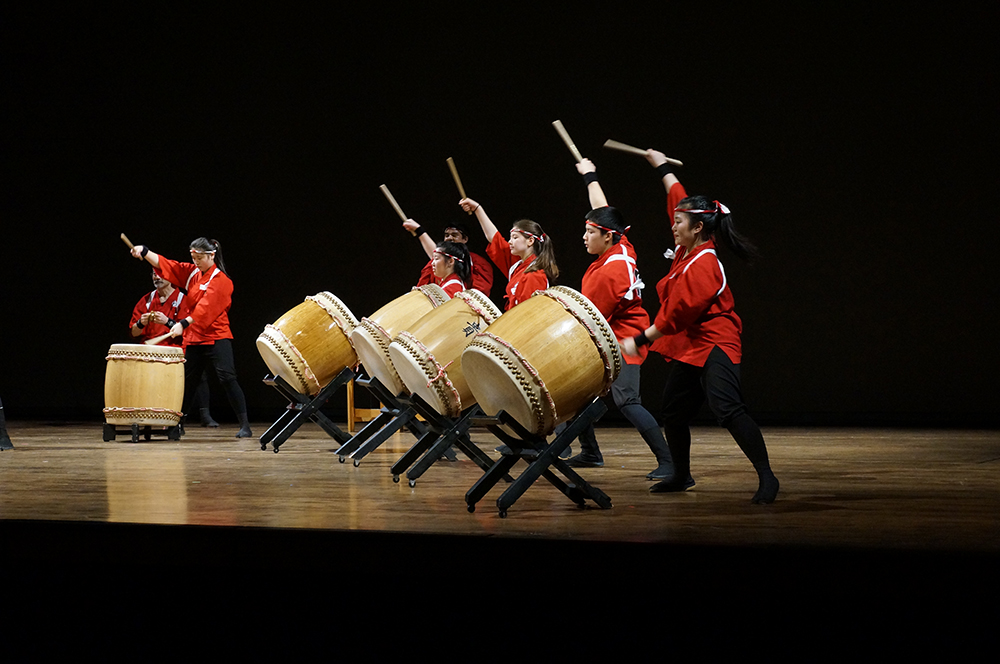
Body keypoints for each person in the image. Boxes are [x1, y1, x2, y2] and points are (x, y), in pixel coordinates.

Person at [621, 150, 779, 504]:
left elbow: (677, 315)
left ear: (699, 228)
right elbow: (677, 198)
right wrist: (660, 165)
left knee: (727, 408)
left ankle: (768, 477)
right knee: (674, 410)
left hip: (716, 340)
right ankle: (681, 473)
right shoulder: (686, 250)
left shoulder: (704, 263)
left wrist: (640, 340)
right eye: (675, 220)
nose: (673, 225)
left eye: (679, 222)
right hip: (692, 343)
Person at [565, 157, 689, 483]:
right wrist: (590, 174)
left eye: (589, 232)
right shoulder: (622, 246)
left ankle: (671, 463)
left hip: (624, 338)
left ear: (607, 236)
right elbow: (602, 206)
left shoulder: (611, 271)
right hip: (613, 333)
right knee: (578, 392)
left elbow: (591, 318)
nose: (584, 237)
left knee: (627, 399)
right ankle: (590, 451)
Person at [130, 237, 252, 438]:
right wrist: (145, 252)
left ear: (211, 255)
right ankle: (178, 424)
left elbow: (206, 309)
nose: (196, 262)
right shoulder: (193, 274)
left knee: (228, 379)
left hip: (216, 336)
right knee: (188, 382)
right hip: (195, 337)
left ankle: (245, 424)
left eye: (200, 257)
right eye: (193, 257)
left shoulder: (222, 281)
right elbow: (171, 266)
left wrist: (181, 324)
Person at [128, 271, 219, 427]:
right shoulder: (147, 300)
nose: (157, 277)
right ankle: (145, 412)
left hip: (176, 349)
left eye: (160, 274)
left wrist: (168, 322)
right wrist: (141, 323)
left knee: (198, 372)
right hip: (151, 350)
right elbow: (133, 332)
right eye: (154, 274)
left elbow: (190, 330)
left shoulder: (183, 300)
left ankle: (204, 415)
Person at [458, 198, 557, 310]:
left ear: (530, 241)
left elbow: (529, 313)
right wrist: (477, 209)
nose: (510, 242)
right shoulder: (518, 266)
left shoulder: (534, 275)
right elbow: (495, 239)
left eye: (515, 237)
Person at [406, 221, 494, 295]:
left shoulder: (478, 264)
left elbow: (479, 294)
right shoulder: (440, 267)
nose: (449, 238)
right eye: (447, 235)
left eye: (454, 235)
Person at [401, 219, 472, 297]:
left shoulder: (452, 288)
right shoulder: (448, 284)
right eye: (447, 235)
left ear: (451, 261)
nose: (432, 263)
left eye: (436, 259)